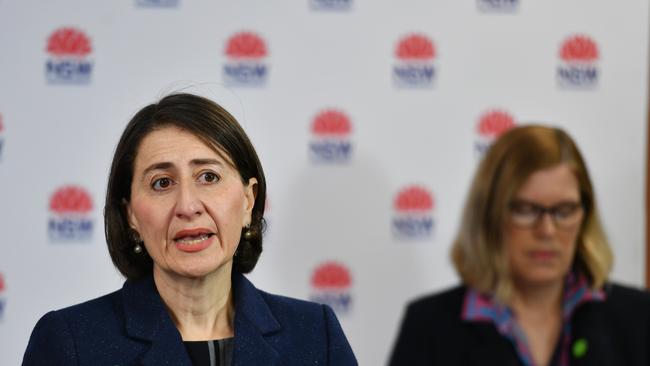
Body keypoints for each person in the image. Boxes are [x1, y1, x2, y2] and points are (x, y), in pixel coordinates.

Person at [23, 93, 357, 366]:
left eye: (208, 177)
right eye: (162, 183)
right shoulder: (71, 342)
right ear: (131, 216)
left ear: (247, 200)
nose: (187, 205)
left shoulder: (315, 334)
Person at [389, 125, 650, 366]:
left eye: (564, 210)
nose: (546, 230)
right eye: (526, 210)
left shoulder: (638, 317)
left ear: (585, 215)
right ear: (490, 215)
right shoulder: (429, 325)